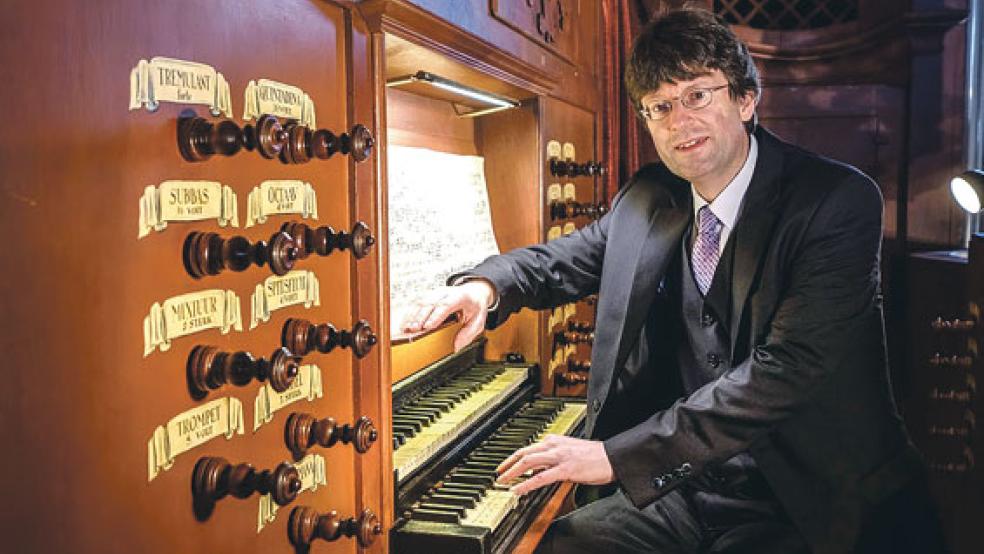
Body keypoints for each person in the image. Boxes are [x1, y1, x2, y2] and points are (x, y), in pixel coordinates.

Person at [402, 7, 946, 554]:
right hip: (687, 487)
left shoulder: (834, 200)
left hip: (809, 499)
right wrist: (484, 287)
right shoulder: (648, 196)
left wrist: (614, 456)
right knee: (555, 545)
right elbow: (563, 259)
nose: (679, 120)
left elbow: (787, 371)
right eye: (660, 107)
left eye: (698, 96)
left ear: (745, 99)